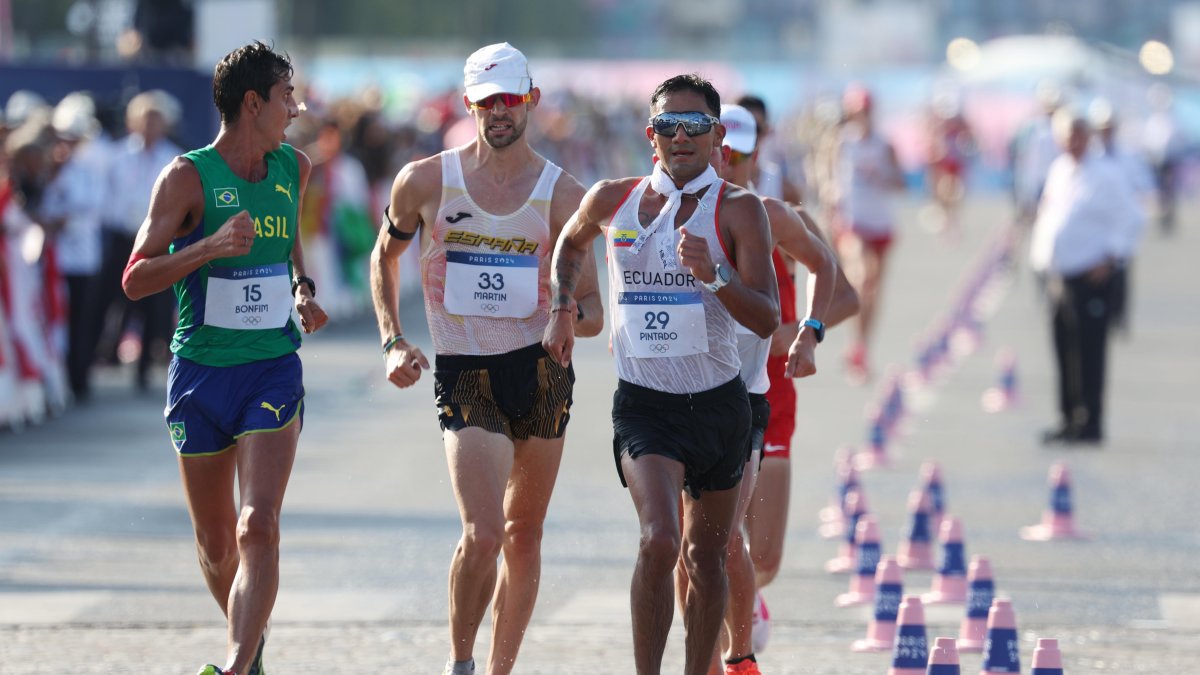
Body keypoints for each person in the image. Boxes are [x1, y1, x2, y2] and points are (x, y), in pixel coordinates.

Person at [368, 43, 602, 675]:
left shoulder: (564, 196)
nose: (499, 112)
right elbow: (383, 256)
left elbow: (594, 309)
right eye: (486, 101)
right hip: (466, 370)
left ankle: (500, 669)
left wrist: (563, 315)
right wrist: (392, 338)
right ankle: (462, 662)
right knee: (484, 534)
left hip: (543, 374)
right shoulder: (424, 181)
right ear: (468, 103)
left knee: (524, 537)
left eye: (510, 99)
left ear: (530, 100)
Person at [543, 74, 780, 675]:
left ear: (718, 136)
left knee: (708, 558)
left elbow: (768, 315)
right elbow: (569, 246)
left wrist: (717, 275)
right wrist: (562, 309)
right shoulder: (611, 199)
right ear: (651, 135)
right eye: (669, 125)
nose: (682, 136)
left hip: (721, 406)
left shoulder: (740, 209)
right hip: (645, 406)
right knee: (659, 540)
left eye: (695, 125)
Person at [121, 41, 328, 675]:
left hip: (271, 367)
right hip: (201, 374)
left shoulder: (294, 166)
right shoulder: (186, 177)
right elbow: (135, 278)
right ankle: (255, 659)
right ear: (252, 102)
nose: (295, 109)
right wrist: (206, 247)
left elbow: (288, 244)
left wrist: (303, 290)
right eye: (286, 97)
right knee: (216, 548)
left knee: (256, 525)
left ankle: (235, 666)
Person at [672, 103, 851, 674]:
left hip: (769, 395)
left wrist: (803, 334)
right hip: (697, 395)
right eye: (721, 150)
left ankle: (742, 597)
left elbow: (842, 292)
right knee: (698, 546)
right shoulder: (676, 211)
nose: (727, 161)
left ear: (753, 153)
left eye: (739, 154)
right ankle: (713, 651)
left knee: (760, 552)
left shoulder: (778, 215)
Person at [1030, 108, 1143, 445]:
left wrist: (1111, 258)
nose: (1071, 142)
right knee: (1063, 349)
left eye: (1077, 135)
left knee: (1090, 351)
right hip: (1058, 273)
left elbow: (1132, 219)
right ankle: (1067, 417)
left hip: (1089, 274)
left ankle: (1091, 421)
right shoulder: (1060, 169)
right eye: (1065, 136)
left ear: (1089, 137)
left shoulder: (1107, 174)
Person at [97, 91, 183, 390]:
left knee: (153, 305)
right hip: (122, 236)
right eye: (144, 120)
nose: (149, 127)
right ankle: (100, 356)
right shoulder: (117, 155)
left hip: (156, 241)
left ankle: (144, 367)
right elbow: (106, 197)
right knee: (109, 300)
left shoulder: (173, 159)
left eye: (156, 120)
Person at [830, 83, 904, 384]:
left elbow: (901, 183)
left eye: (866, 111)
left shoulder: (885, 145)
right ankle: (856, 345)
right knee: (861, 278)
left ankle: (861, 347)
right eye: (856, 111)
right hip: (853, 222)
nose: (861, 116)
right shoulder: (841, 142)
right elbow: (828, 175)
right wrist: (830, 197)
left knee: (874, 289)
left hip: (881, 223)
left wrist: (882, 176)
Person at [1089, 99, 1153, 338]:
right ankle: (1099, 315)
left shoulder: (1128, 155)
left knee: (1121, 271)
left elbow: (1143, 185)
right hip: (1097, 224)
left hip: (1123, 222)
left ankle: (1119, 316)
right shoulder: (1090, 157)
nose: (1106, 132)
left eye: (1109, 127)